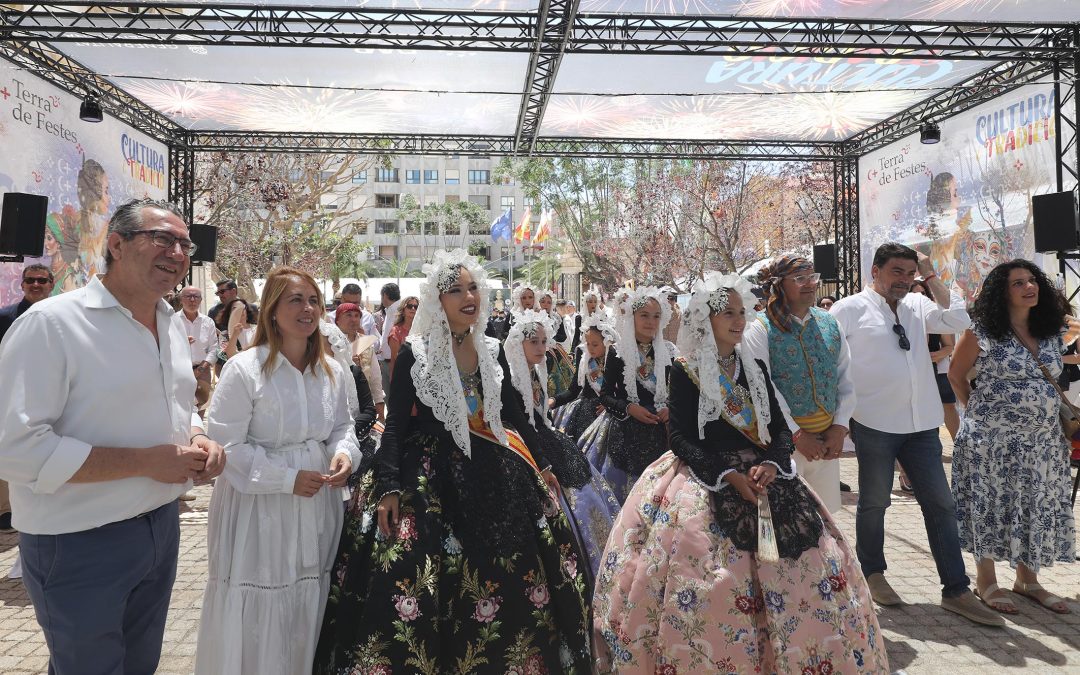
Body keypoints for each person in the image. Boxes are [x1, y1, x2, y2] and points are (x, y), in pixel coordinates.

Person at [593, 273, 889, 674]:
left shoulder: (754, 368)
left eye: (741, 312)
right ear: (705, 320)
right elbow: (680, 438)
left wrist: (771, 462)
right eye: (726, 313)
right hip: (705, 477)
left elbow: (781, 431)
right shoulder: (686, 370)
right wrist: (727, 475)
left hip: (765, 474)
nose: (737, 320)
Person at [313, 249, 591, 673]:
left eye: (473, 287)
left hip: (496, 471)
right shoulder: (416, 352)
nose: (469, 296)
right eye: (455, 289)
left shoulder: (493, 349)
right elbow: (396, 428)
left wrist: (544, 464)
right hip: (431, 478)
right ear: (437, 301)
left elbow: (515, 415)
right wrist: (389, 486)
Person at [0, 198, 225, 674]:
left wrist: (199, 437)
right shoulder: (50, 324)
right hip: (78, 540)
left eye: (185, 243)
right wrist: (145, 462)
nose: (179, 252)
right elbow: (14, 450)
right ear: (117, 245)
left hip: (159, 526)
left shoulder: (166, 322)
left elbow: (177, 407)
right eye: (162, 238)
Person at [195, 266, 360, 674]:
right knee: (261, 600)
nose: (307, 309)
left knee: (310, 593)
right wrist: (285, 480)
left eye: (313, 301)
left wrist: (344, 455)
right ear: (271, 309)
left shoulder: (332, 369)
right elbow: (227, 444)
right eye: (295, 300)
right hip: (259, 509)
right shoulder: (245, 369)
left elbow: (343, 426)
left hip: (317, 503)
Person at [831, 242, 1003, 626]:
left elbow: (960, 319)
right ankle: (873, 573)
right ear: (875, 271)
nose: (904, 281)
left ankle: (956, 590)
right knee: (875, 502)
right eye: (897, 272)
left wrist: (930, 274)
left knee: (941, 505)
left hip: (922, 425)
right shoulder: (848, 309)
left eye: (910, 274)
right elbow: (833, 366)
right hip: (873, 422)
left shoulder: (918, 305)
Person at [948, 260, 1077, 616]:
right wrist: (980, 415)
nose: (1029, 287)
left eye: (1032, 280)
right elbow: (956, 375)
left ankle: (1027, 580)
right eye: (1018, 283)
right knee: (989, 505)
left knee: (1033, 506)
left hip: (1043, 442)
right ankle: (986, 580)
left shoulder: (1052, 331)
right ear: (1002, 293)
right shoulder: (983, 332)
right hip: (991, 442)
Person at [504, 309, 620, 585]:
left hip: (545, 438)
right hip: (523, 447)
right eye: (534, 342)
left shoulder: (535, 372)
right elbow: (519, 422)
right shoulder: (509, 379)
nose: (542, 348)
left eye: (544, 342)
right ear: (517, 344)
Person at [742, 254, 855, 513]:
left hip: (826, 444)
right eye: (799, 278)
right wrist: (796, 435)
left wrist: (839, 427)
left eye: (812, 277)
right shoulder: (760, 328)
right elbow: (761, 386)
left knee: (826, 519)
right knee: (789, 518)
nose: (810, 284)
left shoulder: (829, 322)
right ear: (779, 285)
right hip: (782, 447)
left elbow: (845, 376)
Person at [579, 285, 674, 502]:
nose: (651, 321)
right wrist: (630, 408)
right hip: (626, 429)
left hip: (663, 430)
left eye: (656, 316)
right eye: (644, 315)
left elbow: (676, 393)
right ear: (632, 316)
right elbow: (605, 395)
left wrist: (670, 409)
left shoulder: (668, 352)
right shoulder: (617, 351)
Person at [0, 264, 57, 531]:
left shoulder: (62, 317)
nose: (36, 285)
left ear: (51, 284)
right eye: (30, 281)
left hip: (51, 395)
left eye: (41, 280)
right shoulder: (5, 316)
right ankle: (4, 511)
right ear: (22, 285)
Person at [552, 312, 617, 442]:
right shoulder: (585, 361)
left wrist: (610, 404)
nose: (590, 348)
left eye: (595, 344)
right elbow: (573, 390)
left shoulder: (616, 361)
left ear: (607, 343)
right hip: (586, 414)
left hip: (612, 415)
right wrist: (553, 400)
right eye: (587, 343)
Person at [334, 302, 385, 422]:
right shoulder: (330, 343)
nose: (354, 319)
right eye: (348, 315)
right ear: (337, 320)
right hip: (339, 403)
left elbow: (375, 378)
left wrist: (380, 407)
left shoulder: (365, 343)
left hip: (364, 403)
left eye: (357, 316)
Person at [178, 285, 217, 410]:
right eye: (188, 296)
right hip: (179, 371)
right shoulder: (172, 320)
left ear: (201, 300)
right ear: (181, 299)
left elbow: (214, 348)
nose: (192, 300)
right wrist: (182, 344)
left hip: (202, 370)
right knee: (181, 408)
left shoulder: (208, 322)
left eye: (196, 296)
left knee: (201, 407)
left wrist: (200, 370)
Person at [386, 294, 418, 379]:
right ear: (403, 310)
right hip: (401, 375)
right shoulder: (395, 331)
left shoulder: (421, 331)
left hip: (418, 377)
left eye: (416, 307)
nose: (413, 309)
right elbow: (397, 357)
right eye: (409, 306)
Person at [376, 282, 401, 388]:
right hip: (385, 361)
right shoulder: (390, 310)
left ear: (385, 295)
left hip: (395, 363)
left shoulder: (401, 311)